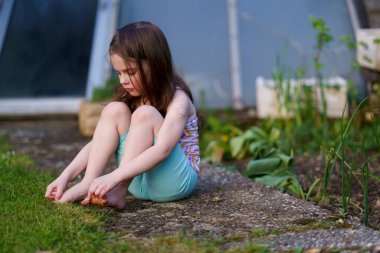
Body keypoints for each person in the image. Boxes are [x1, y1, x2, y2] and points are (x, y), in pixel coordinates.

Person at [45, 21, 200, 210]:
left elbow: (163, 150)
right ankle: (88, 182)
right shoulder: (132, 96)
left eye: (130, 72)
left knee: (145, 114)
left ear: (155, 64)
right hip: (139, 183)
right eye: (118, 73)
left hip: (174, 182)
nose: (123, 80)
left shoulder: (178, 99)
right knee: (113, 110)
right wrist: (65, 176)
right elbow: (99, 143)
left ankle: (118, 191)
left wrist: (114, 177)